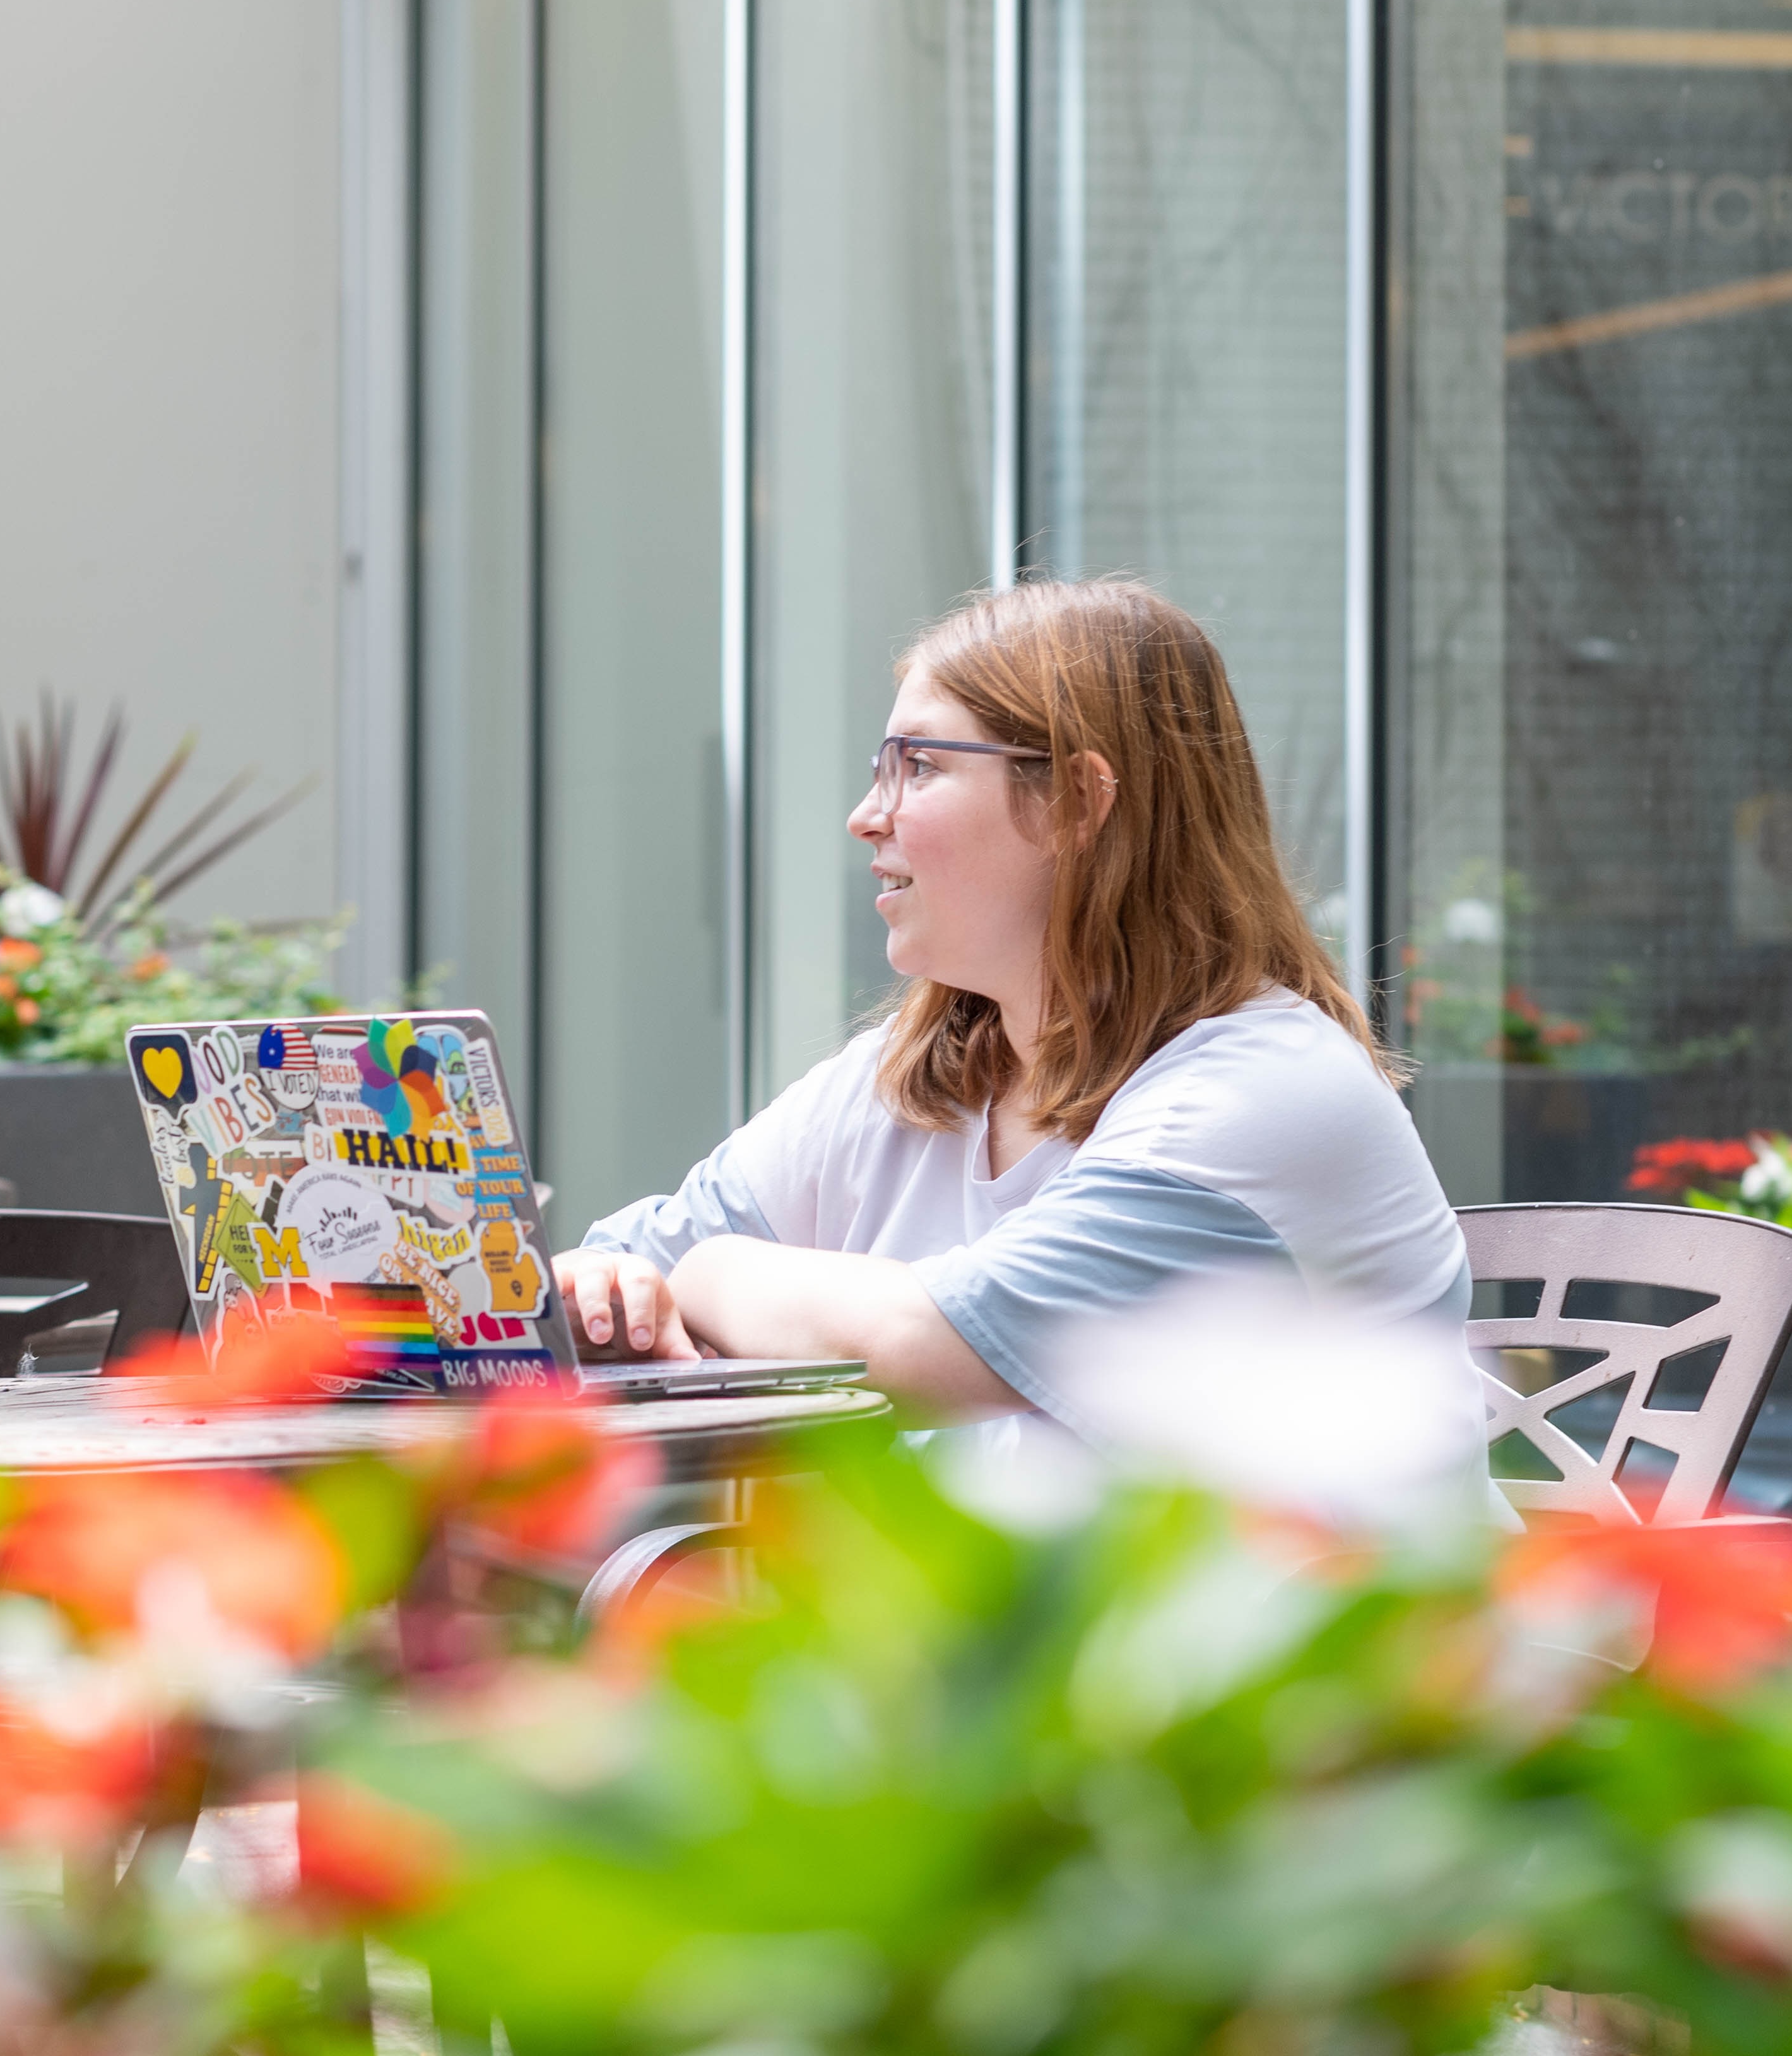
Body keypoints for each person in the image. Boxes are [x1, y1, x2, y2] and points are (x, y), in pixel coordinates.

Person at [553, 577, 1466, 1435]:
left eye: (918, 766)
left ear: (1076, 800)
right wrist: (599, 1284)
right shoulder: (905, 1079)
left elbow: (931, 1345)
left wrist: (710, 1276)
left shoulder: (1265, 1096)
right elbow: (620, 1267)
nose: (866, 815)